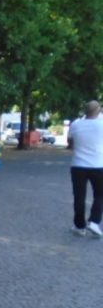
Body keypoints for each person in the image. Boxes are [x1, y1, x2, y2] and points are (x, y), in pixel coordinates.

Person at [68, 101, 103, 237]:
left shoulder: (76, 124)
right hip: (98, 165)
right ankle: (94, 222)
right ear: (98, 110)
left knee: (79, 196)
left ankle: (79, 226)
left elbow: (70, 144)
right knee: (100, 195)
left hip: (78, 165)